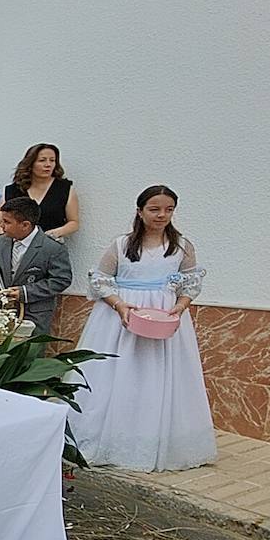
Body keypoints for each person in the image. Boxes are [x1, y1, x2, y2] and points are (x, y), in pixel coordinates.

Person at [70, 184, 214, 471]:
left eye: (169, 210)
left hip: (164, 319)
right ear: (140, 211)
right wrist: (119, 305)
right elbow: (100, 279)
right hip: (120, 319)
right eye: (155, 209)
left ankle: (153, 439)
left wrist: (181, 305)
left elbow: (191, 283)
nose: (162, 215)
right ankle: (106, 436)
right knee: (117, 375)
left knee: (157, 377)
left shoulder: (182, 246)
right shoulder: (122, 245)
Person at [0, 197, 73, 335]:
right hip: (3, 313)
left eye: (7, 222)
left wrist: (26, 292)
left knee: (30, 354)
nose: (1, 226)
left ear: (25, 225)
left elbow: (61, 280)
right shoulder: (0, 242)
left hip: (35, 315)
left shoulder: (52, 248)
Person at [0, 143, 80, 241]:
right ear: (30, 163)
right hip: (16, 248)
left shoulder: (64, 188)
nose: (48, 165)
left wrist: (56, 233)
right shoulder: (13, 190)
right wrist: (12, 236)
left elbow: (74, 222)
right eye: (42, 160)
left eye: (52, 160)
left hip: (50, 246)